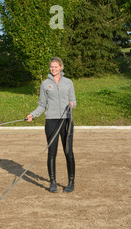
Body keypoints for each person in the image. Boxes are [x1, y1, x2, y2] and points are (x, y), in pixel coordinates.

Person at [26, 57, 77, 193]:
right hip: (51, 121)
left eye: (55, 67)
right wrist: (32, 114)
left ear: (61, 67)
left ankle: (71, 182)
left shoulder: (68, 83)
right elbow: (42, 104)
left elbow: (73, 100)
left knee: (68, 152)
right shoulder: (45, 84)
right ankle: (52, 182)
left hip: (66, 120)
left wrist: (71, 104)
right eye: (51, 67)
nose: (53, 69)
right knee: (52, 152)